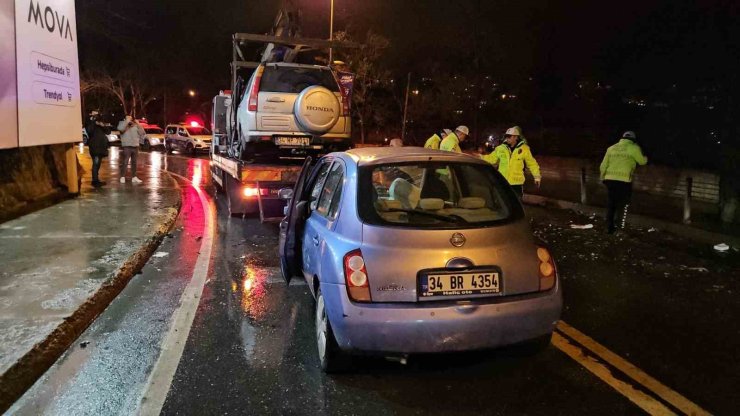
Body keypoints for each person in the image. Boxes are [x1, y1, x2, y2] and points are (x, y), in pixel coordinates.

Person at [599, 131, 648, 234]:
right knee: (623, 204)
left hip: (609, 180)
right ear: (633, 140)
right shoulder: (634, 148)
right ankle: (619, 227)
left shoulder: (611, 148)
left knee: (611, 204)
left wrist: (602, 177)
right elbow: (642, 162)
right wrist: (646, 158)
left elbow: (603, 165)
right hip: (624, 181)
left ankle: (609, 228)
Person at [482, 126, 541, 198]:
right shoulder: (500, 148)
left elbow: (532, 164)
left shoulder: (524, 149)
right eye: (506, 136)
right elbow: (491, 159)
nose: (507, 138)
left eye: (509, 136)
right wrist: (480, 157)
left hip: (516, 184)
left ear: (516, 137)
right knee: (502, 204)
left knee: (516, 204)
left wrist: (537, 177)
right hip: (503, 181)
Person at [117, 115, 145, 184]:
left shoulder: (135, 125)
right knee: (125, 161)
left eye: (130, 118)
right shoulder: (122, 123)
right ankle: (122, 177)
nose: (130, 119)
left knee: (134, 162)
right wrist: (127, 121)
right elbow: (120, 129)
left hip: (135, 146)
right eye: (128, 117)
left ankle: (134, 177)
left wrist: (138, 124)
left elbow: (142, 133)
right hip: (127, 146)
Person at [85, 113, 109, 187]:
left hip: (101, 148)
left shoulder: (101, 125)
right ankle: (95, 181)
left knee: (97, 164)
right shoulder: (90, 124)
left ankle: (96, 180)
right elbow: (89, 131)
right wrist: (94, 122)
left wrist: (102, 125)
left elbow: (108, 132)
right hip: (95, 149)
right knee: (96, 164)